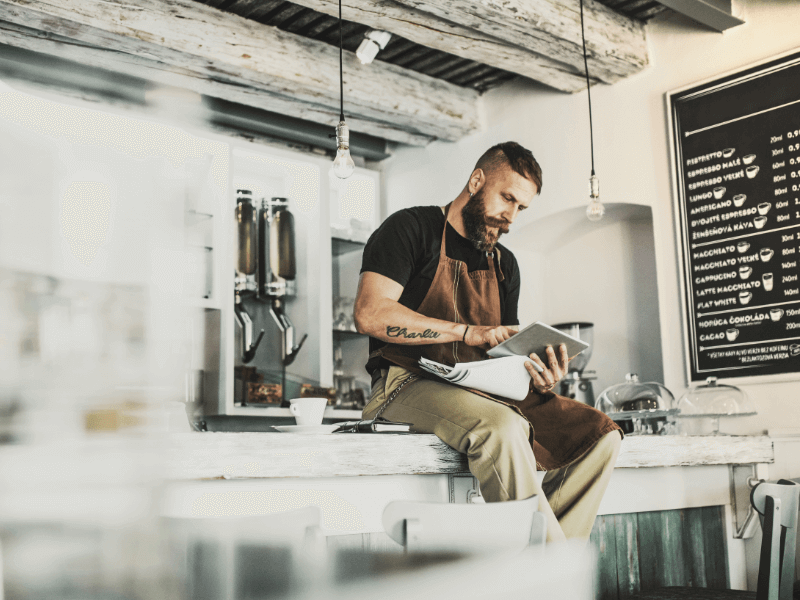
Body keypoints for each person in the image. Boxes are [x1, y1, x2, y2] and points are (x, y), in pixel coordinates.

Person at [353, 141, 622, 543]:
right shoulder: (411, 229)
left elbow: (503, 355)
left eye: (521, 208)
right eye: (507, 198)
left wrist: (537, 376)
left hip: (482, 391)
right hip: (402, 384)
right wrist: (464, 331)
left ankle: (538, 571)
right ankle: (554, 580)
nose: (511, 216)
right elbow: (370, 314)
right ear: (477, 180)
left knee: (600, 434)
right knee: (503, 426)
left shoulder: (504, 264)